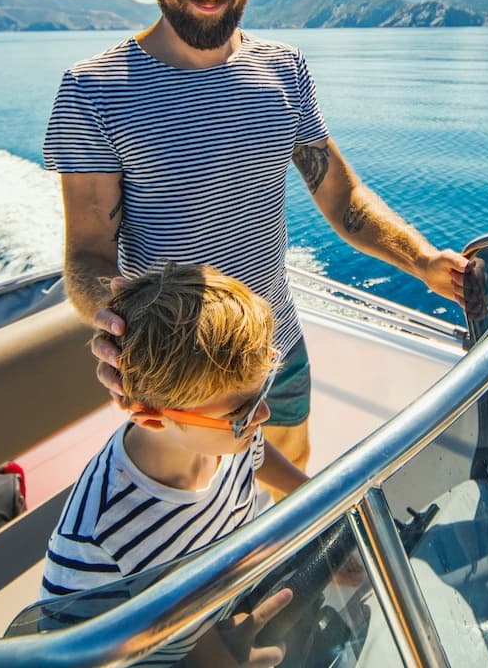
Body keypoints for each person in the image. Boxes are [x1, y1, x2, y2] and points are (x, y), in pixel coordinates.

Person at [43, 0, 469, 474]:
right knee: (192, 516)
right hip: (177, 375)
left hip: (277, 347)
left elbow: (342, 198)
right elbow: (87, 254)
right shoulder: (94, 90)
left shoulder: (284, 70)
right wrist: (114, 320)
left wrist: (426, 261)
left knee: (289, 483)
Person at [39, 263, 304, 666]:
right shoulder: (98, 539)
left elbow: (258, 457)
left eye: (261, 391)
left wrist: (317, 495)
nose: (263, 414)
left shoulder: (229, 439)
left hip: (228, 601)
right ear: (152, 417)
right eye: (242, 410)